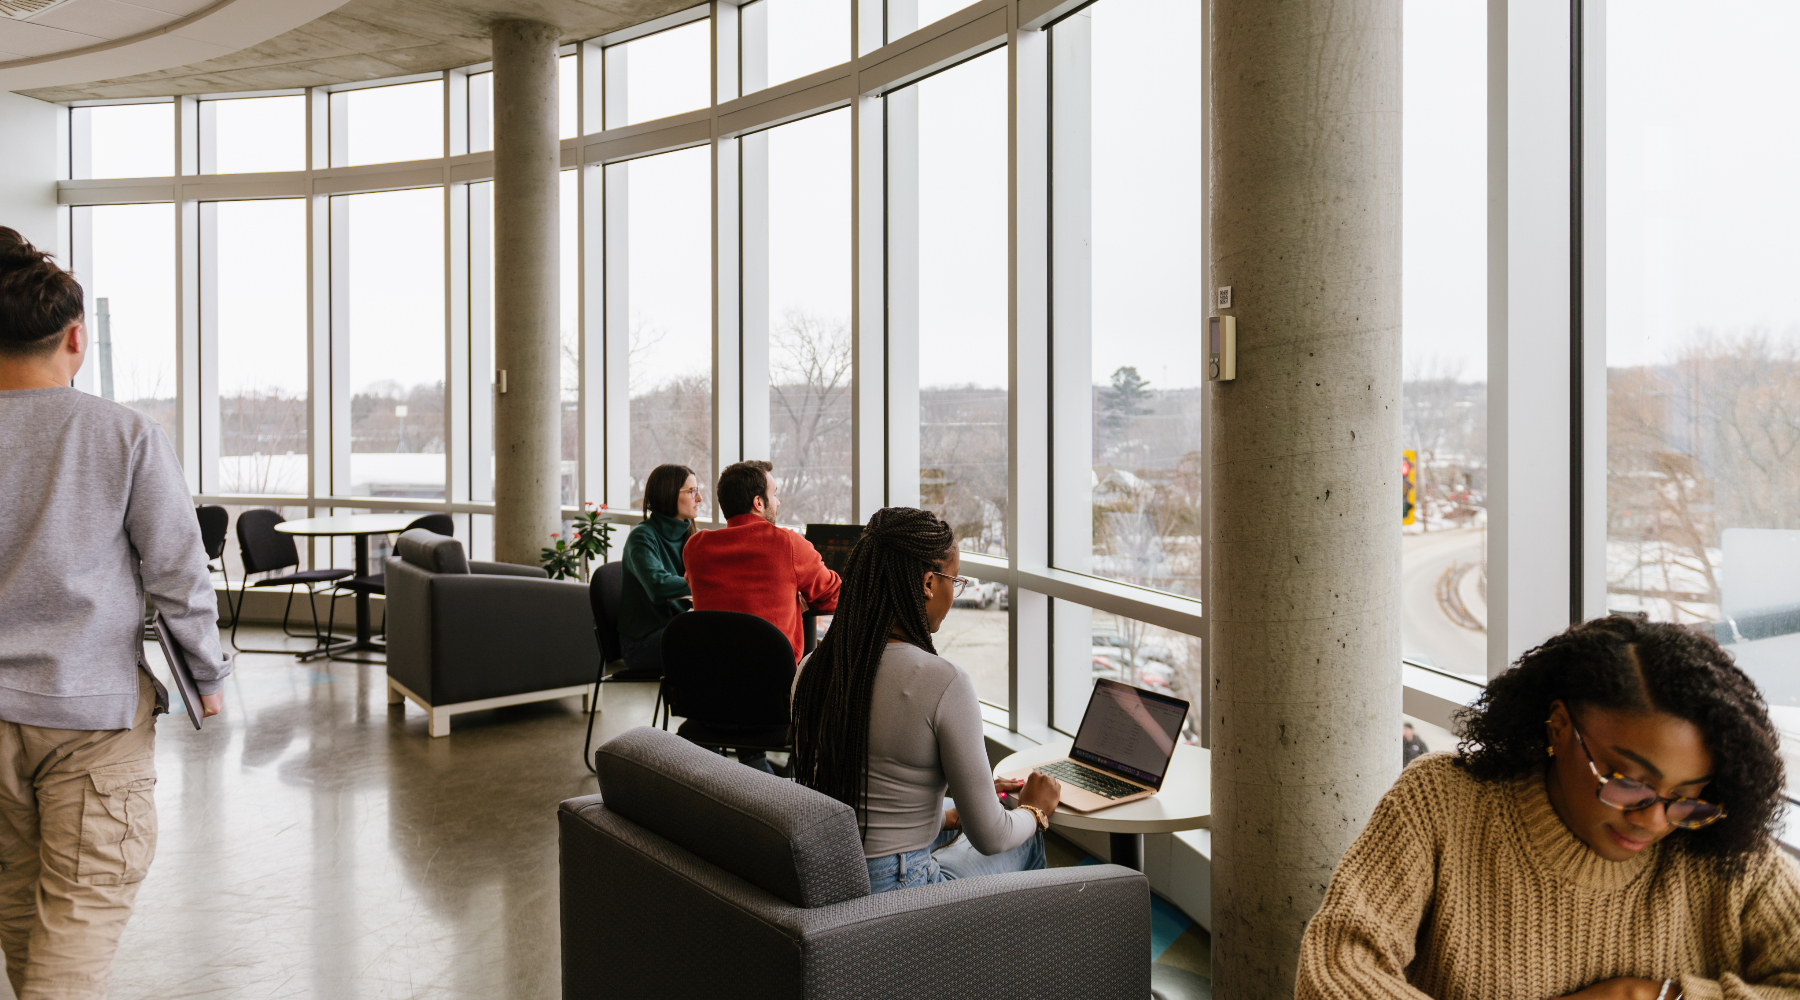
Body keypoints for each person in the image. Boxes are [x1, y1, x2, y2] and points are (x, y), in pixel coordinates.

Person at [1297, 616, 1800, 1000]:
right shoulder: (1442, 802)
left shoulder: (1724, 850)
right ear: (1559, 724)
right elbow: (1336, 969)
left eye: (1687, 796)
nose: (1654, 819)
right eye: (1628, 783)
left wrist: (1658, 995)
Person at [0, 226, 229, 999]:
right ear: (75, 338)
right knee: (78, 918)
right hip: (90, 717)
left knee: (19, 912)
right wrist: (206, 674)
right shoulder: (122, 434)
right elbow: (178, 569)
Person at [790, 506, 1063, 892]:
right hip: (898, 888)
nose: (955, 591)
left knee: (963, 826)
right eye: (956, 579)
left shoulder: (811, 669)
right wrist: (1037, 810)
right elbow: (992, 836)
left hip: (828, 873)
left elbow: (868, 789)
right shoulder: (943, 682)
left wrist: (959, 806)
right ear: (928, 582)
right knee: (1025, 835)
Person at [684, 460, 841, 663]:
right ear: (758, 503)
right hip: (774, 682)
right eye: (774, 494)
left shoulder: (696, 547)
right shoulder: (788, 543)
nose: (778, 502)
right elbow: (834, 597)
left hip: (712, 678)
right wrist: (798, 599)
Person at [616, 463, 701, 676]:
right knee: (714, 645)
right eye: (692, 491)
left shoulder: (691, 535)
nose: (699, 498)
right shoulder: (642, 537)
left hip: (674, 630)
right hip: (641, 644)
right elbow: (658, 586)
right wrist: (704, 581)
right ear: (669, 494)